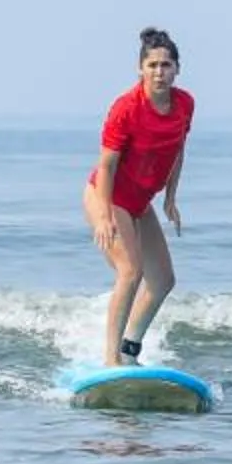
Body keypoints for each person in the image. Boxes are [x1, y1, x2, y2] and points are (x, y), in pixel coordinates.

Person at [84, 27, 192, 365]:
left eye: (166, 65)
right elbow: (106, 167)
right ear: (140, 69)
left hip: (139, 202)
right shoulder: (126, 108)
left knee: (163, 280)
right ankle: (110, 359)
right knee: (130, 273)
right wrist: (102, 216)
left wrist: (170, 198)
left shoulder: (184, 104)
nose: (159, 72)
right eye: (153, 65)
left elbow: (178, 150)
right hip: (107, 196)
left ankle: (129, 351)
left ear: (177, 68)